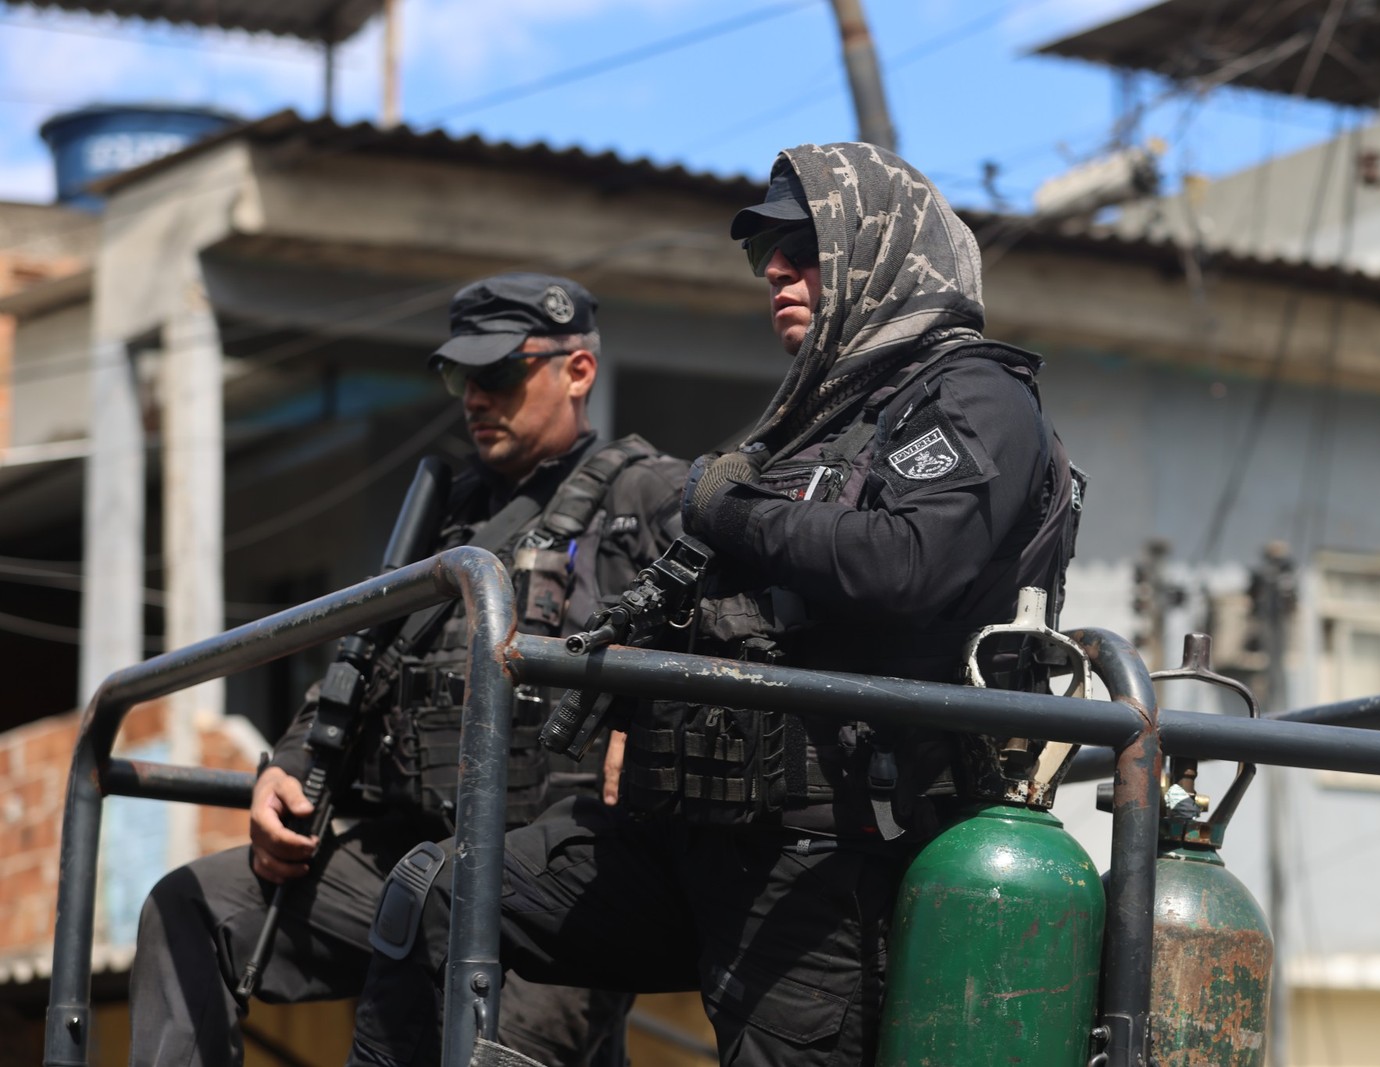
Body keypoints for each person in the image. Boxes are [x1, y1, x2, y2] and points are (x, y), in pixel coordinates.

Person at [345, 142, 1082, 1067]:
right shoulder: (815, 410)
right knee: (435, 894)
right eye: (764, 253)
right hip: (688, 826)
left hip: (828, 852)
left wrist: (725, 503)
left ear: (880, 249)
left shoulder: (974, 396)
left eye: (804, 245)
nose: (776, 268)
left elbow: (906, 565)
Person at [129, 273, 688, 1067]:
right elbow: (361, 667)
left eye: (497, 373)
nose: (473, 398)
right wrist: (287, 767)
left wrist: (650, 714)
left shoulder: (647, 496)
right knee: (194, 906)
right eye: (460, 377)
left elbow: (737, 629)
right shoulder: (446, 516)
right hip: (416, 857)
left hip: (562, 874)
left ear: (577, 370)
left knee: (481, 1044)